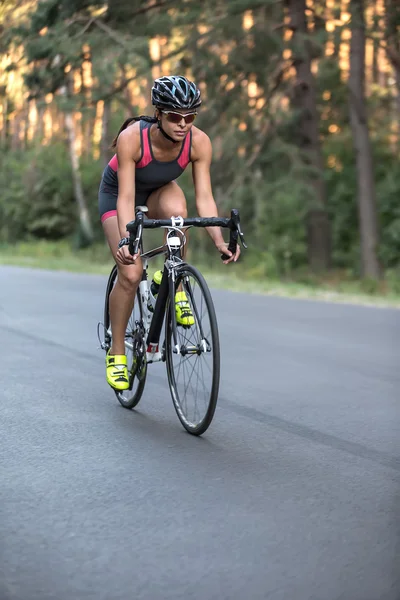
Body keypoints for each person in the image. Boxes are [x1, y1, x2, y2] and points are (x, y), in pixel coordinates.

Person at [98, 74, 240, 391]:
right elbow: (125, 198)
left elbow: (204, 197)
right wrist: (126, 241)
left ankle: (171, 280)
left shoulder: (199, 142)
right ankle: (117, 351)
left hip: (158, 191)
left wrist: (219, 240)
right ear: (158, 114)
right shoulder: (133, 139)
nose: (183, 124)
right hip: (119, 195)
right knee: (132, 273)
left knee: (178, 214)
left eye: (190, 117)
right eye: (175, 116)